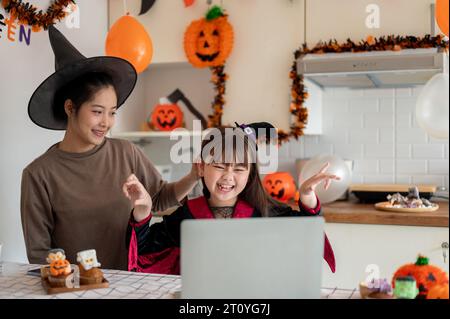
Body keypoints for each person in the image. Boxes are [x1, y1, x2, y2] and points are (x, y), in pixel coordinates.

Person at [20, 26, 199, 270]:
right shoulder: (38, 174)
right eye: (97, 112)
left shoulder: (126, 153)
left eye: (112, 112)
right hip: (75, 290)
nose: (106, 122)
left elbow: (159, 200)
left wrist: (193, 175)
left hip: (131, 284)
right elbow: (40, 254)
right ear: (70, 108)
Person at [124, 126, 337, 275]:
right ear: (201, 167)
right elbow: (144, 251)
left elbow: (308, 229)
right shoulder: (188, 215)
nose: (228, 176)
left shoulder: (263, 213)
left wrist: (307, 194)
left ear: (250, 173)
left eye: (238, 168)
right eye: (219, 165)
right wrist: (143, 211)